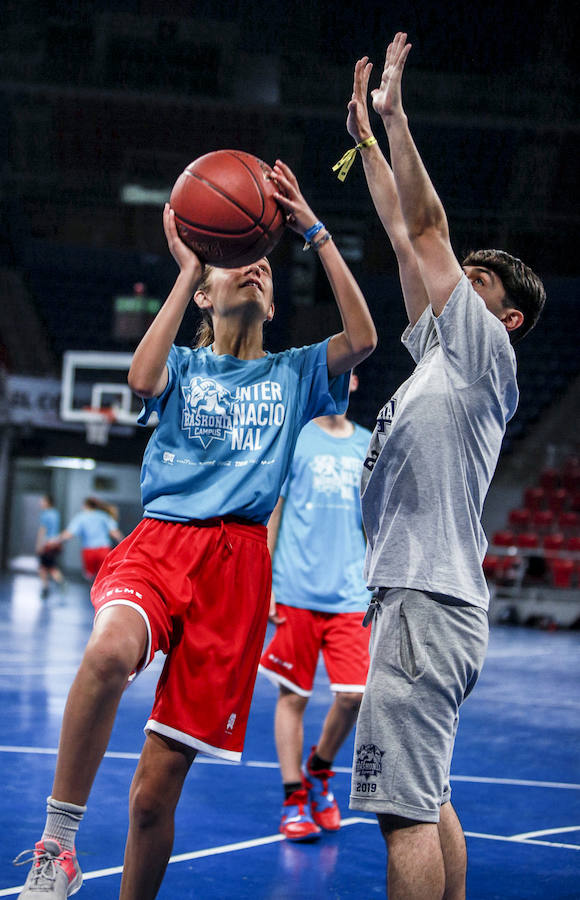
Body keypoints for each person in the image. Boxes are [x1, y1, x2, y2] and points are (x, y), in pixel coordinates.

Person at [14, 160, 376, 900]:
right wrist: (186, 270)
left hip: (238, 570)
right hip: (163, 539)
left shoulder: (299, 373)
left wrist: (313, 231)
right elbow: (140, 383)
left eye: (266, 269)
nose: (257, 271)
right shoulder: (180, 362)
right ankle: (57, 844)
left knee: (153, 798)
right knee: (110, 650)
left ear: (274, 304)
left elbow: (365, 337)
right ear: (207, 294)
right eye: (240, 264)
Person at [343, 34, 546, 900]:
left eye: (476, 283)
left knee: (404, 813)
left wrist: (396, 118)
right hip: (427, 600)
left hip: (426, 603)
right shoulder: (439, 354)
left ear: (506, 320)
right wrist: (367, 147)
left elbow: (427, 227)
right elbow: (403, 233)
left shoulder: (482, 357)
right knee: (429, 795)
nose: (456, 282)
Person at [259, 371, 372, 841]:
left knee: (353, 696)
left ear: (355, 383)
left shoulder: (368, 443)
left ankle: (320, 769)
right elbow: (273, 513)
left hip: (351, 593)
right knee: (295, 697)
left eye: (345, 376)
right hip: (296, 590)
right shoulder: (297, 438)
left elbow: (378, 520)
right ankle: (293, 798)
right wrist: (264, 583)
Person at [50, 497, 123, 581]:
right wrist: (124, 544)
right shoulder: (104, 516)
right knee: (104, 577)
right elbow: (115, 533)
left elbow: (69, 534)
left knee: (90, 576)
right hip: (104, 550)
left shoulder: (81, 517)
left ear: (86, 505)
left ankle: (92, 591)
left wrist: (56, 540)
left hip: (89, 551)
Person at [36, 495, 65, 598]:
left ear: (48, 502)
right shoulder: (56, 513)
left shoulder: (45, 514)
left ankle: (46, 587)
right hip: (56, 543)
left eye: (43, 501)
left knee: (43, 567)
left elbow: (43, 530)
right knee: (50, 565)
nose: (41, 503)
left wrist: (39, 545)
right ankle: (59, 581)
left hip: (47, 544)